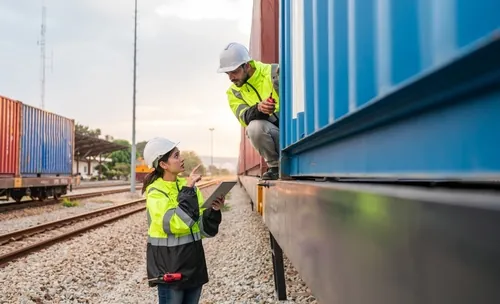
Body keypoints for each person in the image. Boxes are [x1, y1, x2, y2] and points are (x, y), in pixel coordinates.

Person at [142, 137, 225, 304]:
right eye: (176, 155)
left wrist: (214, 210)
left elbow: (202, 228)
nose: (181, 159)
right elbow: (176, 224)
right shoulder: (156, 192)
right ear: (163, 164)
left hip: (193, 266)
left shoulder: (187, 187)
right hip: (170, 268)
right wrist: (188, 190)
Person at [217, 42, 280, 180]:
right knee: (254, 128)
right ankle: (275, 167)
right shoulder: (233, 93)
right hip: (277, 138)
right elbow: (243, 117)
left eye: (234, 72)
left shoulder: (274, 72)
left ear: (247, 65)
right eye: (228, 73)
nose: (231, 78)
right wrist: (259, 108)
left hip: (294, 134)